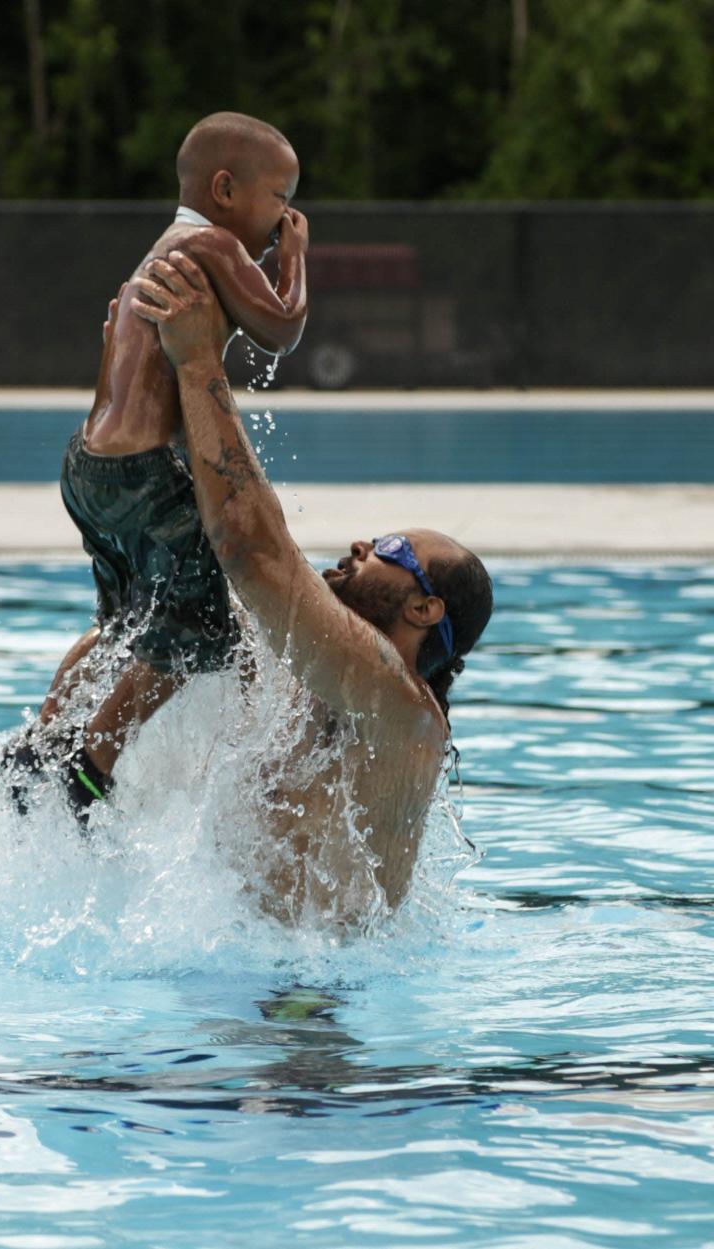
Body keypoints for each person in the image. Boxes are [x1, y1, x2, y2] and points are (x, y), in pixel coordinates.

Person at [128, 249, 494, 916]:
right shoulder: (296, 678)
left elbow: (252, 548)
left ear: (423, 607)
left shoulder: (403, 713)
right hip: (245, 982)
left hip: (307, 1008)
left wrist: (200, 361)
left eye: (389, 548)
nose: (362, 543)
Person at [4, 111, 309, 818]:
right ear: (226, 188)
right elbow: (283, 326)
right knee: (201, 628)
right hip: (141, 473)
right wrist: (296, 256)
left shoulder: (158, 252)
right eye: (281, 201)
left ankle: (41, 742)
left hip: (88, 468)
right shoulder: (209, 242)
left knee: (128, 625)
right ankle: (88, 771)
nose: (284, 219)